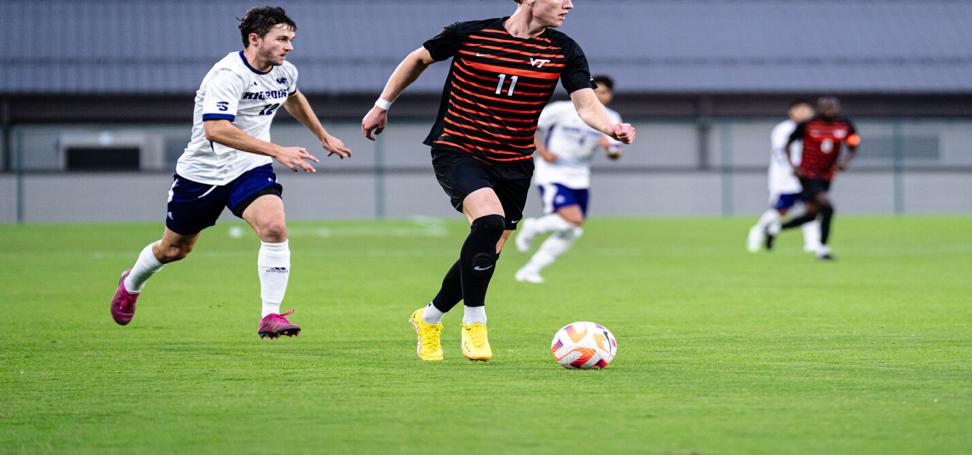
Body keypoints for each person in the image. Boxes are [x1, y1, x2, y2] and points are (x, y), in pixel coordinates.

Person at [359, 0, 634, 362]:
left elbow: (586, 105)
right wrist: (382, 104)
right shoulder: (470, 33)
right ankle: (475, 322)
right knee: (489, 222)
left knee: (487, 246)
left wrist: (610, 126)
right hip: (458, 147)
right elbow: (418, 59)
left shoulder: (563, 49)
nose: (570, 4)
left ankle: (428, 318)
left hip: (514, 162)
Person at [110, 6, 352, 338]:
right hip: (202, 174)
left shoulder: (285, 71)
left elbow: (292, 98)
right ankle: (132, 282)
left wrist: (322, 135)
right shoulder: (228, 75)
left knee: (274, 226)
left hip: (249, 168)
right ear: (255, 39)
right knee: (174, 249)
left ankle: (270, 314)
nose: (289, 47)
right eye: (282, 39)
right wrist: (278, 150)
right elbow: (216, 130)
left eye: (291, 39)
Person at [511, 73, 623, 283]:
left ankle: (530, 270)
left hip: (580, 176)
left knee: (573, 230)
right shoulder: (562, 110)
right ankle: (533, 226)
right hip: (553, 172)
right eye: (596, 90)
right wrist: (541, 150)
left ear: (611, 95)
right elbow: (528, 125)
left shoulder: (611, 118)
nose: (600, 95)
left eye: (605, 92)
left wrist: (610, 149)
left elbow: (616, 153)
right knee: (573, 219)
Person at [776, 96, 859, 260]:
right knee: (828, 208)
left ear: (838, 108)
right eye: (825, 107)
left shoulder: (845, 125)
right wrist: (794, 166)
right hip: (808, 174)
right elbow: (787, 144)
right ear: (820, 109)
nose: (829, 110)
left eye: (832, 107)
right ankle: (822, 249)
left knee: (811, 215)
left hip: (827, 175)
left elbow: (853, 144)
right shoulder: (808, 124)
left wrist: (845, 161)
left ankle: (775, 229)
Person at [746, 99, 814, 253]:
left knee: (812, 209)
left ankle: (813, 243)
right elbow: (780, 153)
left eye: (807, 109)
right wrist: (794, 169)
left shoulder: (812, 129)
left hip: (807, 179)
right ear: (792, 111)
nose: (805, 113)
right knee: (780, 211)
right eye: (801, 109)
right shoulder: (783, 129)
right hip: (785, 180)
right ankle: (759, 231)